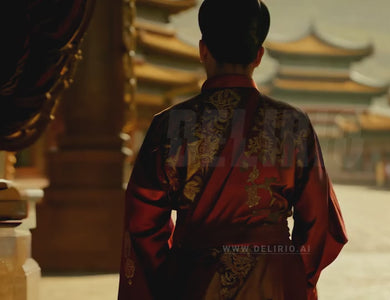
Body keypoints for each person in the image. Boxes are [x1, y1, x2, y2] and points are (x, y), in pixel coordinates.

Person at [118, 0, 347, 299]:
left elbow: (142, 221)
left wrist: (171, 275)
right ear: (259, 56)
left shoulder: (169, 125)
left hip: (193, 282)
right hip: (275, 283)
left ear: (203, 50)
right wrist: (290, 270)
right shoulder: (292, 123)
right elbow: (321, 221)